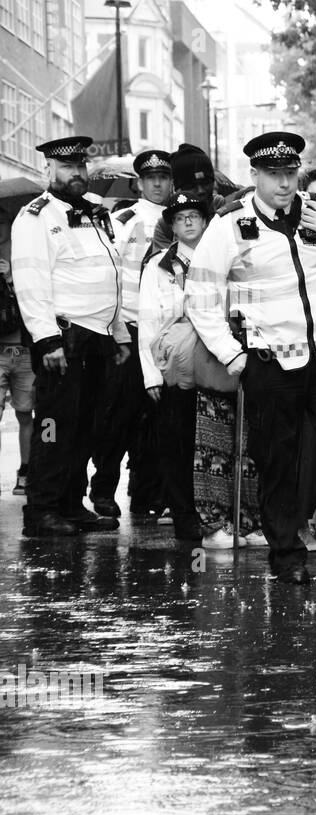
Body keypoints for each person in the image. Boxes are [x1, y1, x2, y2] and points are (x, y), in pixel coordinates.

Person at [186, 131, 316, 584]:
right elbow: (200, 296)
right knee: (278, 458)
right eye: (274, 174)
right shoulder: (230, 224)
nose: (284, 183)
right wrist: (232, 356)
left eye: (290, 172)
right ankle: (287, 555)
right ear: (256, 175)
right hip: (271, 359)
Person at [12, 136, 129, 537]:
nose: (75, 173)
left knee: (86, 427)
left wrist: (117, 333)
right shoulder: (36, 216)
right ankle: (41, 509)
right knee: (54, 425)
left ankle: (70, 504)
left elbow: (110, 277)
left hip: (97, 336)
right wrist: (46, 339)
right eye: (66, 167)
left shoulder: (95, 213)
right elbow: (31, 280)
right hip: (63, 337)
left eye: (80, 166)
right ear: (48, 170)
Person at [136, 191, 265, 548]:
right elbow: (148, 321)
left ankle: (234, 517)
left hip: (219, 360)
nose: (188, 222)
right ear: (172, 226)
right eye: (180, 218)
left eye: (194, 215)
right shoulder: (159, 265)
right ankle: (186, 517)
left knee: (224, 441)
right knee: (178, 443)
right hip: (177, 366)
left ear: (207, 220)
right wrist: (151, 375)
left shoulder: (228, 257)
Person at [90, 149, 174, 520]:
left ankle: (148, 495)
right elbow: (108, 275)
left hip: (166, 332)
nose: (158, 184)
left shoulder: (183, 219)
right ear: (139, 182)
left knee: (158, 420)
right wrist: (117, 329)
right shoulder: (123, 219)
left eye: (164, 178)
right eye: (150, 178)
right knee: (119, 417)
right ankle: (104, 491)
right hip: (129, 329)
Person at [0, 227, 34, 497]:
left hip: (22, 349)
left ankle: (26, 470)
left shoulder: (24, 248)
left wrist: (10, 277)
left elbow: (34, 300)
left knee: (26, 413)